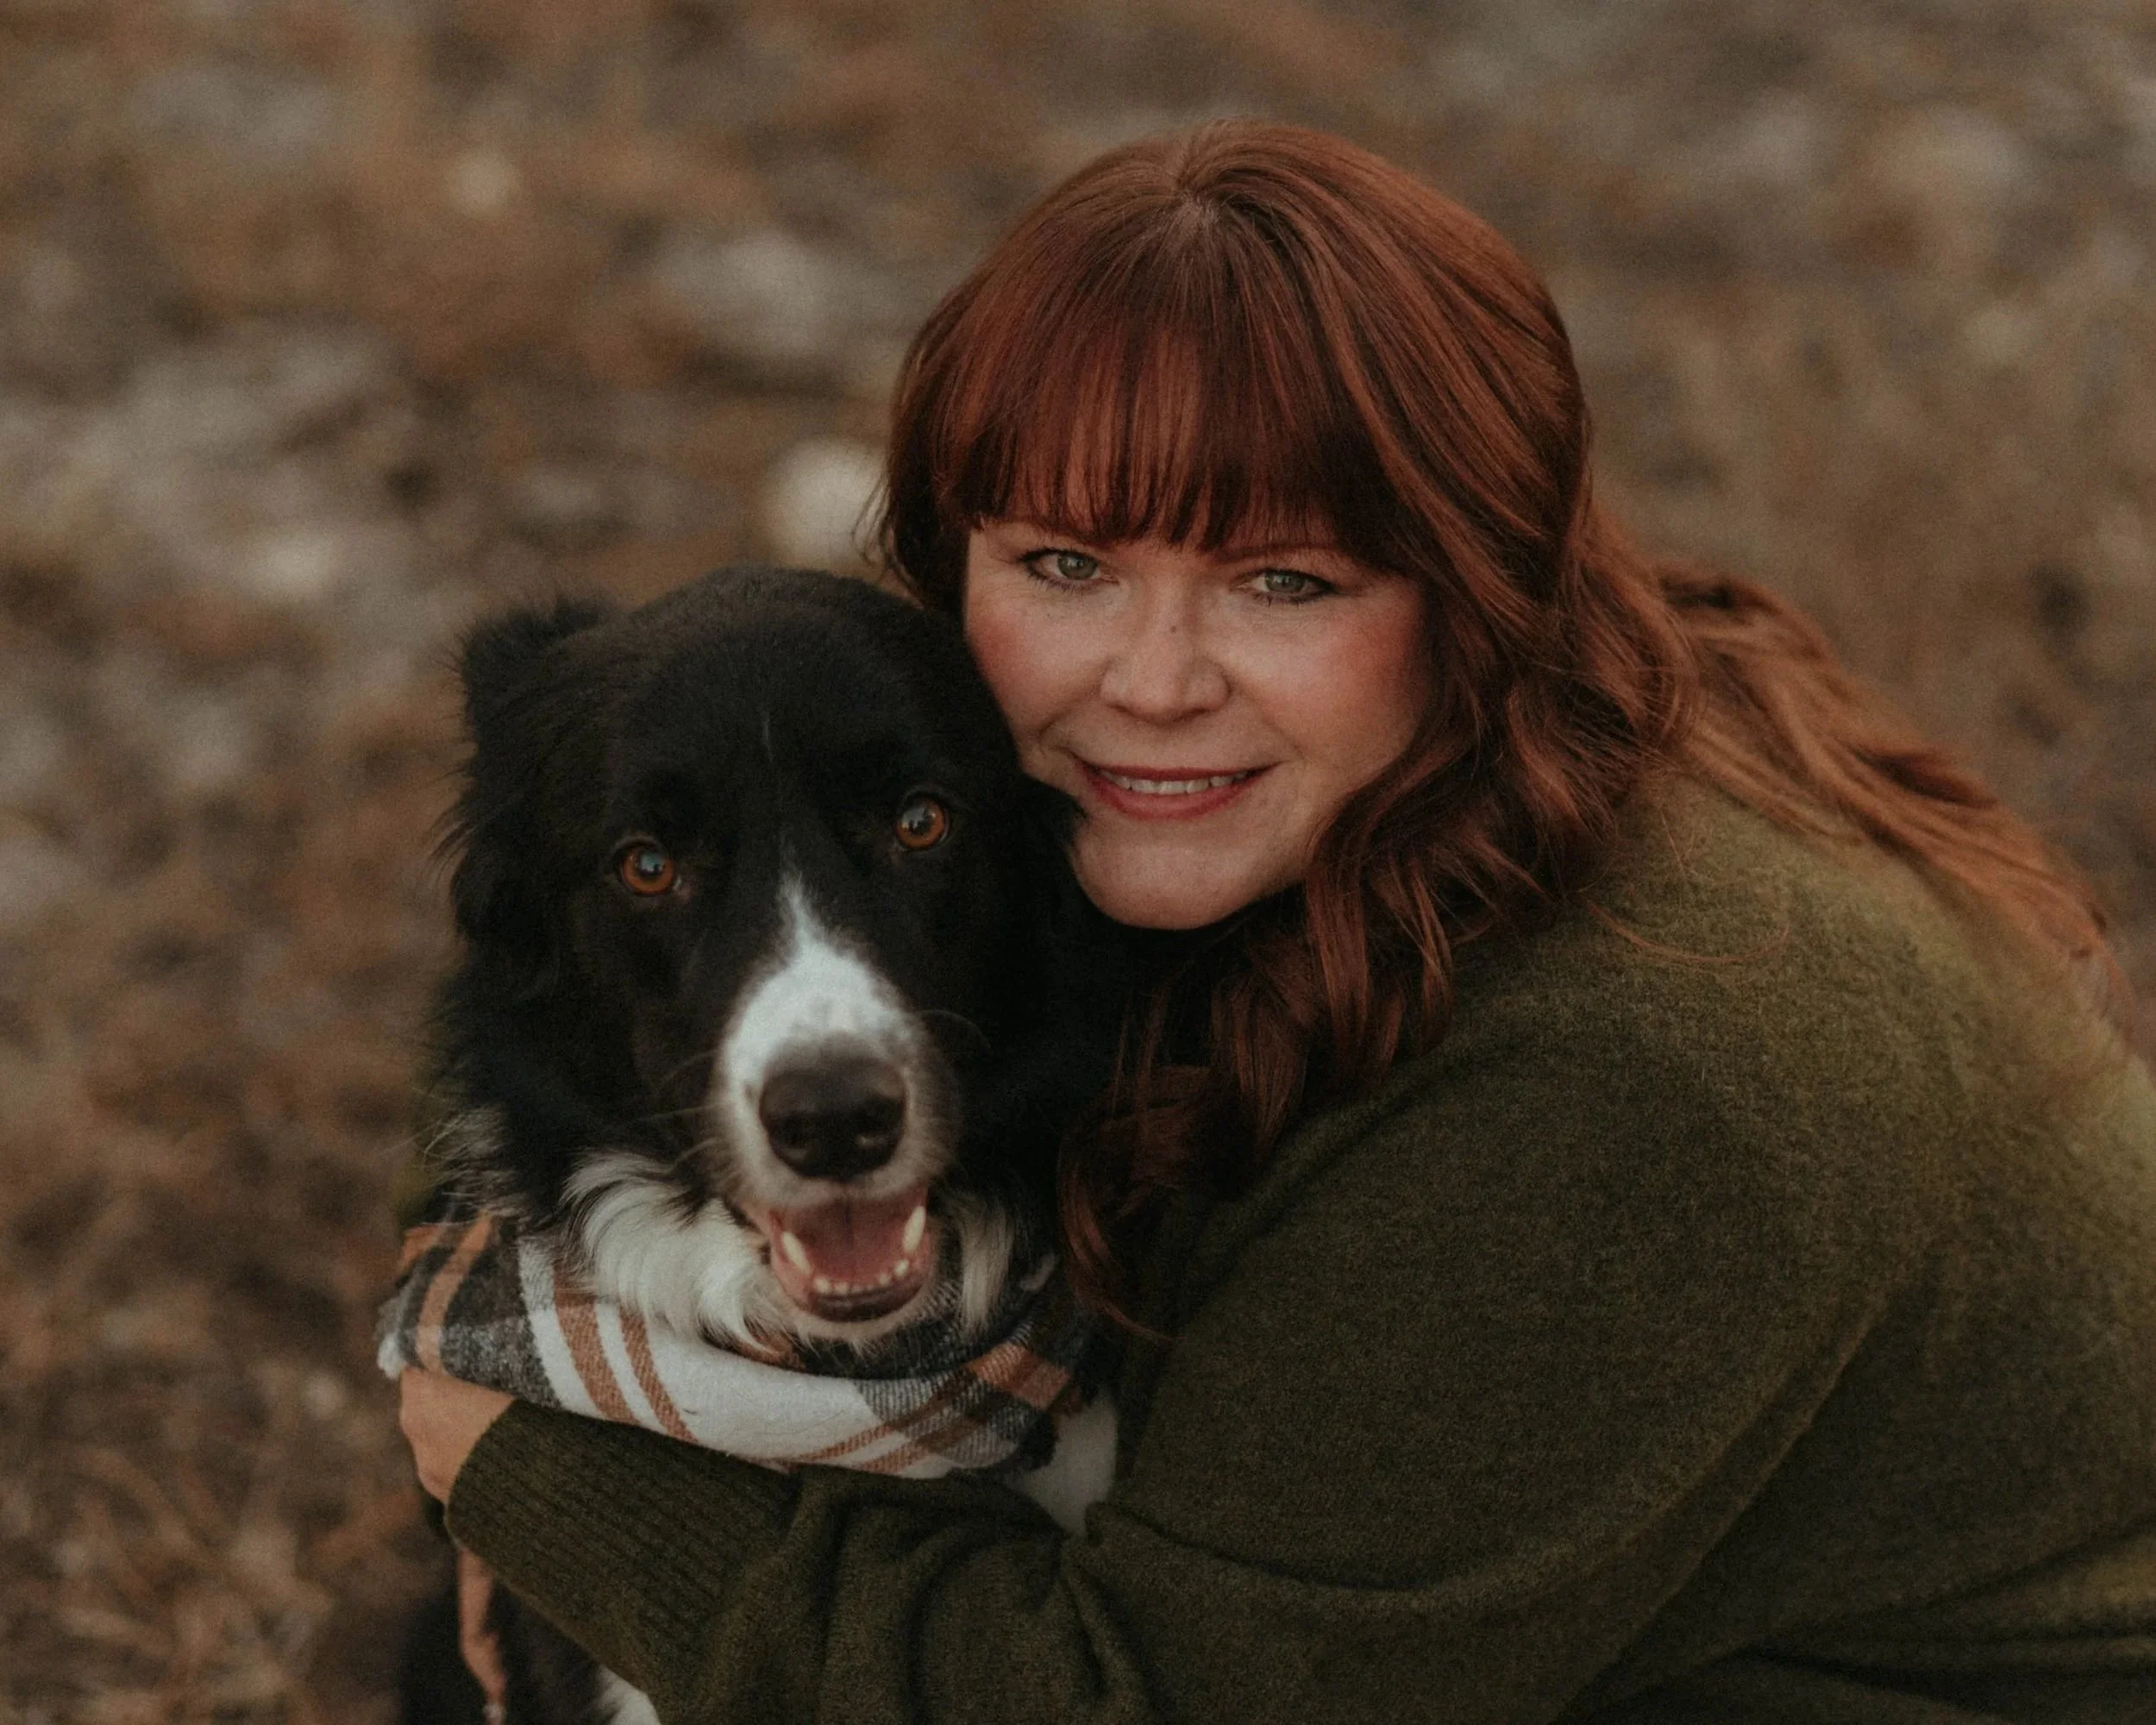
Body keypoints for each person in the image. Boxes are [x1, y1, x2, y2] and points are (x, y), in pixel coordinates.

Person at [399, 121, 2156, 1721]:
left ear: (1467, 589)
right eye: (1067, 567)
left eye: (1281, 581)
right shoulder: (1326, 810)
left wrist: (536, 1477)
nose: (1154, 684)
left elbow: (1157, 1703)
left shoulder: (1617, 1074)